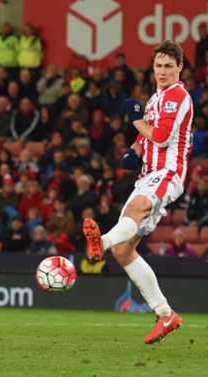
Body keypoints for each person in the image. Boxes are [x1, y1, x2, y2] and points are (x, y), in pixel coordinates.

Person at [83, 41, 190, 344]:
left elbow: (160, 135)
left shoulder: (177, 96)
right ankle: (166, 315)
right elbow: (146, 138)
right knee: (124, 250)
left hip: (168, 172)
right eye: (158, 65)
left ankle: (99, 242)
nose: (163, 71)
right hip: (147, 175)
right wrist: (132, 149)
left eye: (169, 65)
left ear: (180, 68)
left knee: (132, 215)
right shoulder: (156, 97)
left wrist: (135, 120)